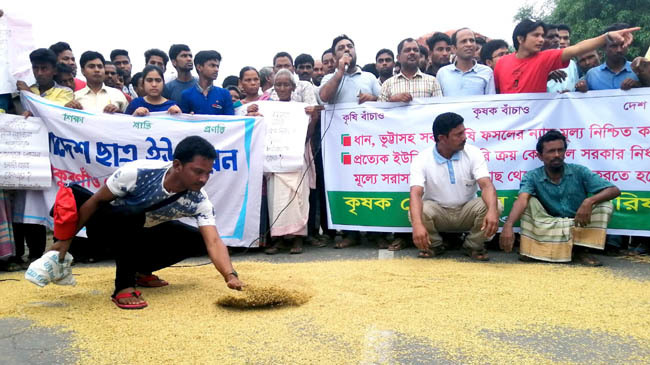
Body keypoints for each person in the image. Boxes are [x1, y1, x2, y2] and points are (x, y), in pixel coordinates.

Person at [50, 136, 244, 309]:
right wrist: (64, 240)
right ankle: (123, 286)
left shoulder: (199, 200)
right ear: (177, 165)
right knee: (133, 214)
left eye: (208, 173)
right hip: (106, 226)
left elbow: (214, 241)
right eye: (198, 171)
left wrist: (230, 275)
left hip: (140, 231)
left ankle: (140, 271)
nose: (203, 179)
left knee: (198, 240)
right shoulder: (137, 172)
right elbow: (95, 202)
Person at [499, 130, 620, 266]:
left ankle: (581, 250)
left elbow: (614, 190)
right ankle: (538, 251)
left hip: (579, 222)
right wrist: (508, 226)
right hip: (549, 224)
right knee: (528, 202)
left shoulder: (579, 171)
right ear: (540, 156)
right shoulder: (532, 176)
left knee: (606, 206)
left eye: (560, 150)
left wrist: (589, 201)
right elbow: (521, 200)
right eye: (551, 151)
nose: (557, 155)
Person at [11, 48, 73, 271]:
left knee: (53, 205)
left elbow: (53, 114)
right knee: (28, 205)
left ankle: (58, 252)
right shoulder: (23, 91)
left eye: (44, 68)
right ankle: (34, 253)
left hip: (55, 157)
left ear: (54, 70)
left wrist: (29, 96)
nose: (39, 73)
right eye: (35, 68)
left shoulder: (64, 93)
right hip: (29, 156)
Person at [246, 69, 320, 254]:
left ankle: (297, 239)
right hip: (275, 160)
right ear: (274, 87)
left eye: (286, 84)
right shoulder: (267, 108)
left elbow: (309, 134)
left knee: (298, 199)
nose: (282, 88)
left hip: (296, 157)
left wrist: (314, 116)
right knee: (276, 199)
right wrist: (252, 112)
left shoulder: (301, 108)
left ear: (293, 87)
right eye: (278, 84)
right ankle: (278, 239)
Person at [409, 112, 501, 260]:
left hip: (466, 211)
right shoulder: (422, 159)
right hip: (439, 212)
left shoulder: (474, 153)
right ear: (442, 138)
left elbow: (486, 186)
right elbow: (415, 193)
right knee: (419, 210)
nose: (464, 137)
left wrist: (492, 210)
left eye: (464, 132)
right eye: (458, 134)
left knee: (494, 205)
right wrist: (417, 225)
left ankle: (473, 246)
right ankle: (434, 245)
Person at [494, 19, 639, 94]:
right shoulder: (501, 63)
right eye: (536, 35)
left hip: (535, 126)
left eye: (542, 35)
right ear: (520, 39)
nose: (541, 40)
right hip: (509, 130)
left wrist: (607, 37)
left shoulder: (545, 58)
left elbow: (577, 48)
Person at [319, 34, 381, 105]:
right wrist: (340, 71)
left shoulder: (370, 77)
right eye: (341, 48)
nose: (346, 49)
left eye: (350, 46)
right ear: (334, 57)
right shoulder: (328, 78)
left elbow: (385, 101)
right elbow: (324, 97)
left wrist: (373, 98)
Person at [378, 38, 442, 102]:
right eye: (407, 50)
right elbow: (379, 110)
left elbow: (439, 108)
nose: (412, 53)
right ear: (398, 58)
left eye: (416, 50)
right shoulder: (387, 85)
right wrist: (391, 101)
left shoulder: (432, 82)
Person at [436, 28, 496, 96]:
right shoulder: (443, 73)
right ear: (454, 48)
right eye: (464, 41)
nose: (469, 44)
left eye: (472, 40)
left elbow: (490, 103)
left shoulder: (486, 72)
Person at [585, 23, 641, 91]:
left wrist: (638, 85)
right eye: (614, 46)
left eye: (622, 45)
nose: (619, 50)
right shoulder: (592, 75)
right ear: (604, 47)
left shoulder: (638, 71)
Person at [179, 50, 234, 115]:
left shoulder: (225, 94)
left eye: (217, 66)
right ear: (199, 67)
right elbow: (182, 121)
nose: (216, 69)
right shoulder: (186, 95)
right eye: (212, 65)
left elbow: (230, 120)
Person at [547, 24, 580, 93]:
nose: (562, 42)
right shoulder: (543, 61)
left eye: (566, 38)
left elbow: (576, 88)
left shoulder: (572, 64)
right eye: (559, 38)